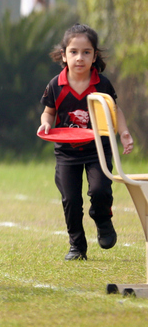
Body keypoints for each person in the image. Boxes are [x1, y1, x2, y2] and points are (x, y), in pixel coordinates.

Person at [37, 24, 133, 261]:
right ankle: (77, 246)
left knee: (100, 190)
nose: (80, 58)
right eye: (74, 52)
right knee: (71, 200)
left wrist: (124, 133)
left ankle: (102, 219)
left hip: (97, 150)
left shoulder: (102, 84)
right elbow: (49, 112)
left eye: (86, 52)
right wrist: (46, 123)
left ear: (94, 56)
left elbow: (115, 110)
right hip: (66, 152)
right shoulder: (55, 85)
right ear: (64, 55)